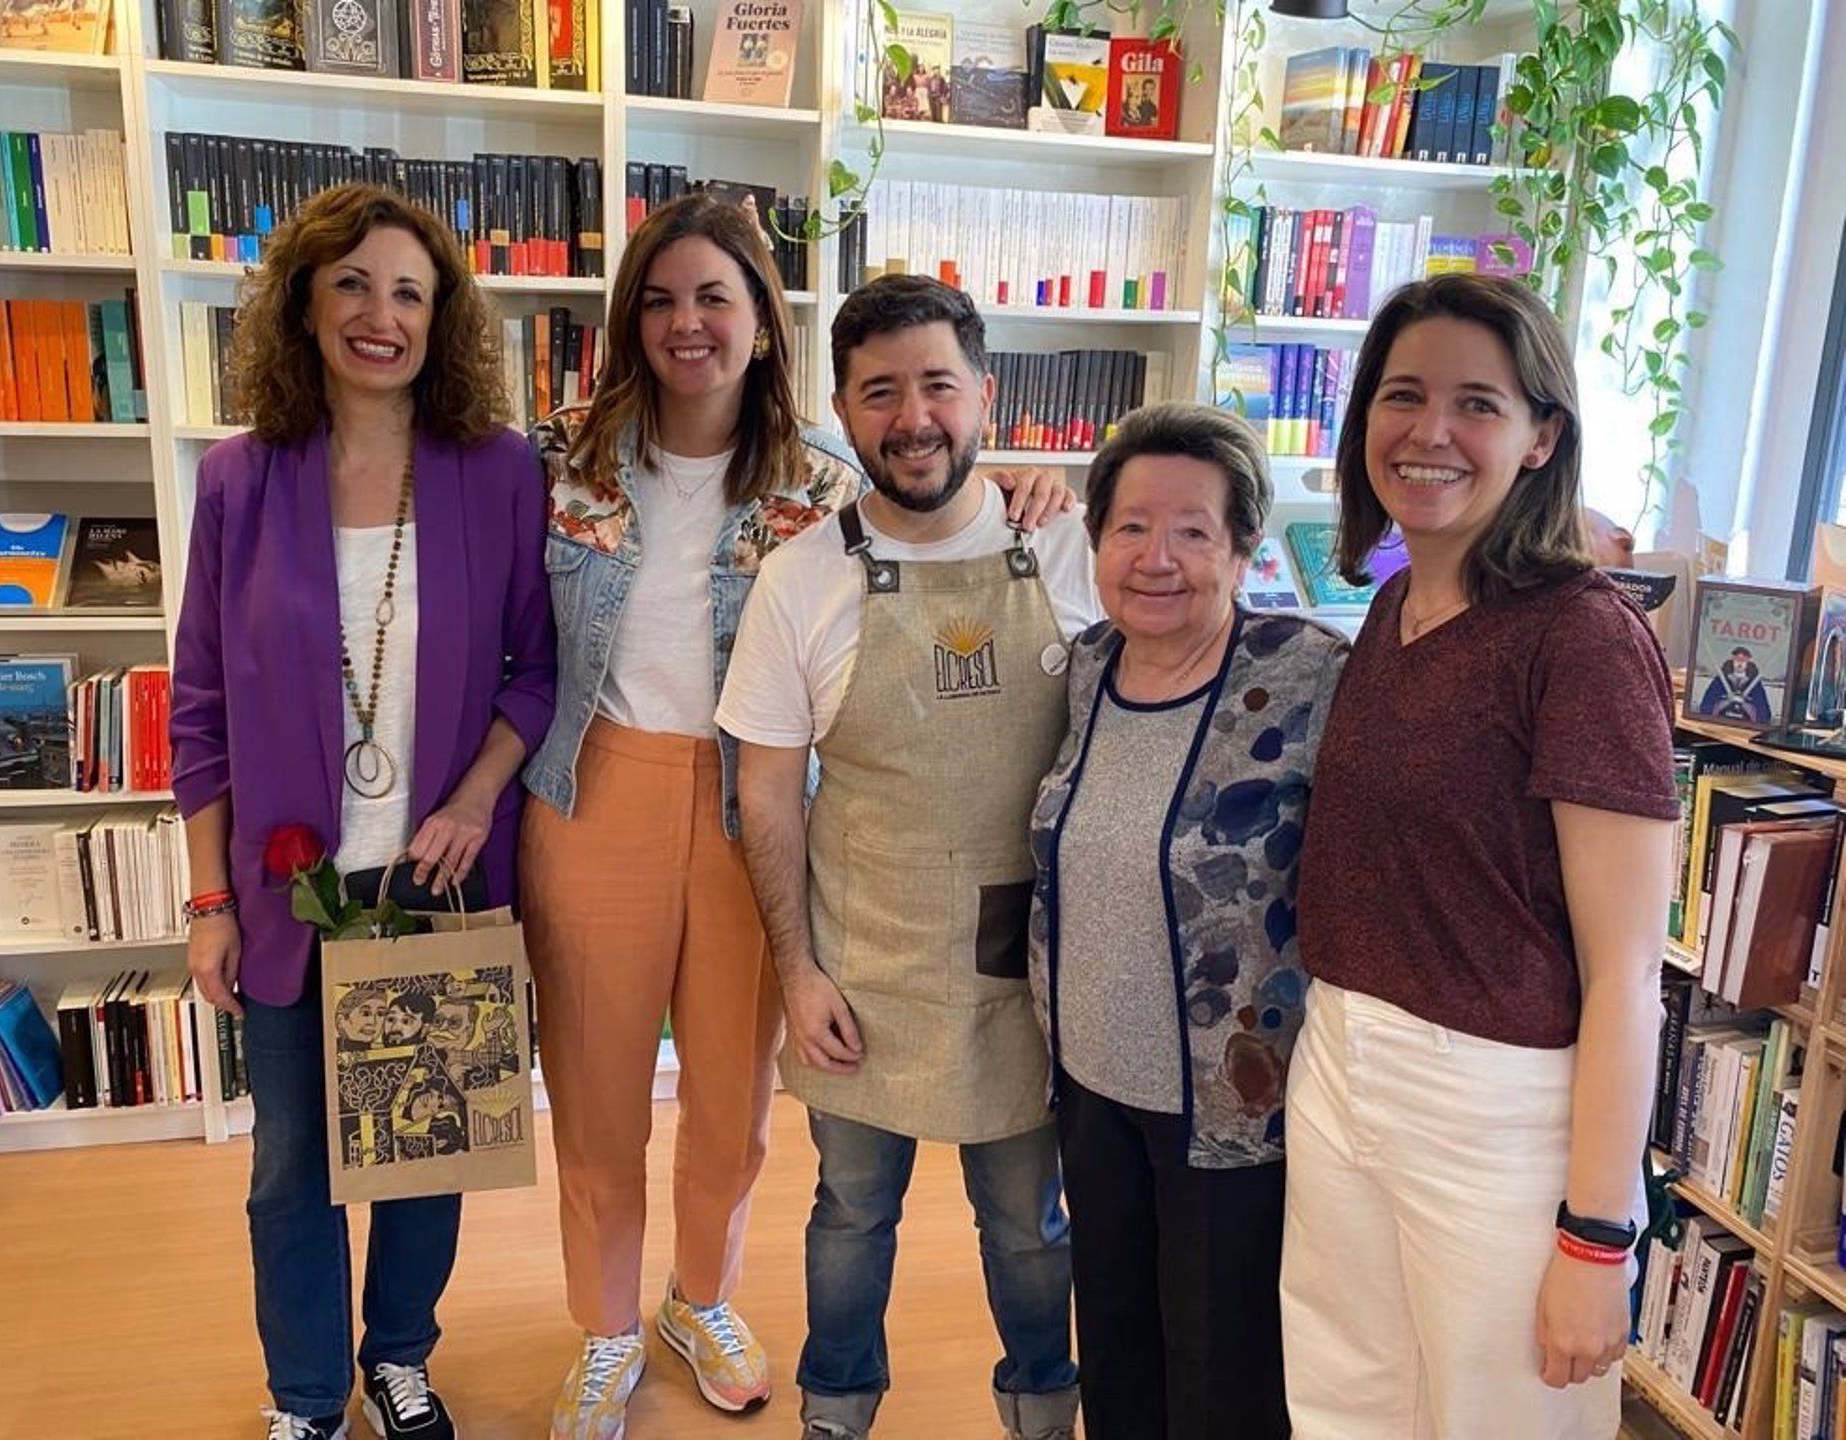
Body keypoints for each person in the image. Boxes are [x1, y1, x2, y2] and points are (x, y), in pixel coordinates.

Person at [523, 197, 1067, 1440]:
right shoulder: (560, 457)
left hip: (747, 799)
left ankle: (697, 1298)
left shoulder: (826, 478)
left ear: (764, 323)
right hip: (593, 790)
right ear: (629, 322)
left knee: (732, 1093)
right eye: (658, 301)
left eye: (716, 297)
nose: (686, 323)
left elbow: (951, 511)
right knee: (598, 1088)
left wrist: (1042, 484)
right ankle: (605, 1330)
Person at [170, 182, 556, 1440]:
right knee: (291, 1168)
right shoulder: (239, 480)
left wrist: (477, 793)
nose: (379, 315)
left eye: (408, 291)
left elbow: (539, 667)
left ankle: (399, 1359)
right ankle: (303, 1401)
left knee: (423, 1148)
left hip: (436, 883)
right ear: (303, 302)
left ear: (443, 319)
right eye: (351, 285)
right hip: (287, 897)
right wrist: (211, 899)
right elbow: (201, 708)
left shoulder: (500, 474)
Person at [1279, 273, 1677, 1439]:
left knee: (1505, 1417)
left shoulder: (1582, 640)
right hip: (1342, 1058)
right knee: (1347, 1402)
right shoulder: (1393, 617)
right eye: (1402, 396)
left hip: (1493, 1106)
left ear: (1542, 436)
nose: (1430, 433)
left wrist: (1599, 1236)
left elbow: (1626, 977)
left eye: (1478, 404)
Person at [720, 273, 1100, 1440]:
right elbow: (767, 794)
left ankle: (1043, 1403)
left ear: (986, 393)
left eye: (938, 383)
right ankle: (836, 1407)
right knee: (848, 1213)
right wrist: (797, 972)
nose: (914, 416)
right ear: (842, 408)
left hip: (1026, 975)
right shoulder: (801, 578)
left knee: (1027, 1222)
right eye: (880, 391)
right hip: (862, 964)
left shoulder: (1070, 545)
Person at [1027, 402, 1346, 1439]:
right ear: (1096, 539)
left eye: (1193, 530)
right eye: (1129, 527)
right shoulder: (1086, 671)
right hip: (1091, 1087)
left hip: (1232, 1107)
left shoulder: (1305, 673)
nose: (1156, 557)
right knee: (1116, 1349)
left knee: (1223, 1378)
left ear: (1245, 546)